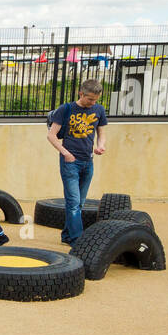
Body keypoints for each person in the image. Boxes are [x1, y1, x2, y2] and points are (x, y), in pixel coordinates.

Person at [46, 79, 108, 244]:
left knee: (79, 203)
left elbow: (101, 133)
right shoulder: (66, 109)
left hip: (88, 161)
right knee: (73, 202)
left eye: (95, 100)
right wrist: (65, 153)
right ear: (81, 93)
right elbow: (51, 135)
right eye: (89, 99)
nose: (92, 103)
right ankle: (78, 240)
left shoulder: (99, 110)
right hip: (70, 162)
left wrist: (101, 146)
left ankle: (67, 235)